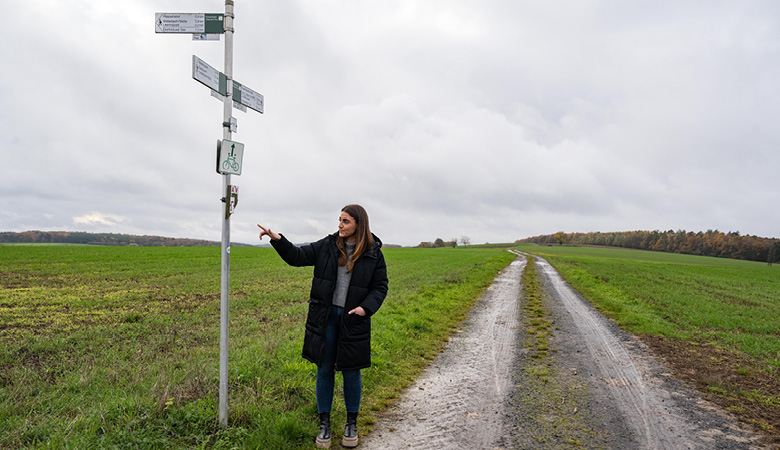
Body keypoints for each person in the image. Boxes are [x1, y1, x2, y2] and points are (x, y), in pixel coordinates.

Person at [257, 204, 388, 449]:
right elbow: (298, 257)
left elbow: (380, 286)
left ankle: (351, 424)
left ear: (359, 224)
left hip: (353, 319)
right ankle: (324, 424)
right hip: (326, 317)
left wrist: (365, 308)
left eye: (345, 221)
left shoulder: (372, 253)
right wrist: (278, 240)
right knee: (325, 368)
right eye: (339, 220)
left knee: (351, 370)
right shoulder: (328, 246)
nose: (339, 224)